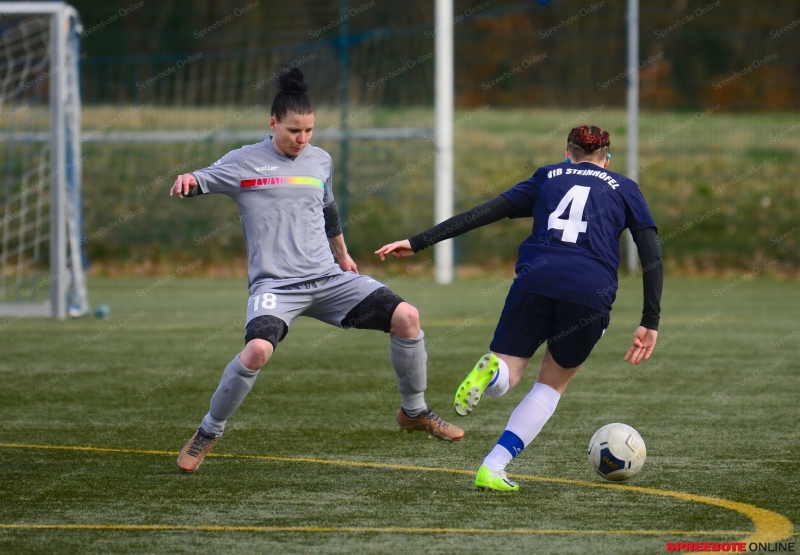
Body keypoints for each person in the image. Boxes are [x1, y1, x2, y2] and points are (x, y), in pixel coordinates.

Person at [171, 68, 463, 474]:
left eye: (309, 130)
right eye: (294, 130)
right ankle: (208, 431)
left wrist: (342, 255)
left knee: (407, 317)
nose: (302, 138)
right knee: (256, 351)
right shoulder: (243, 161)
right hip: (277, 286)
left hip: (328, 279)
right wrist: (188, 179)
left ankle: (414, 411)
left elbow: (328, 209)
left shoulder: (320, 160)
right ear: (273, 123)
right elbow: (200, 179)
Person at [376, 125, 662, 491]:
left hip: (535, 281)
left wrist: (418, 242)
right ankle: (493, 466)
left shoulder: (547, 176)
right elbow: (651, 253)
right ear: (607, 159)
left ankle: (493, 371)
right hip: (589, 292)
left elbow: (483, 212)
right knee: (550, 386)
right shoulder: (625, 187)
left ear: (567, 154)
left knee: (508, 376)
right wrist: (650, 319)